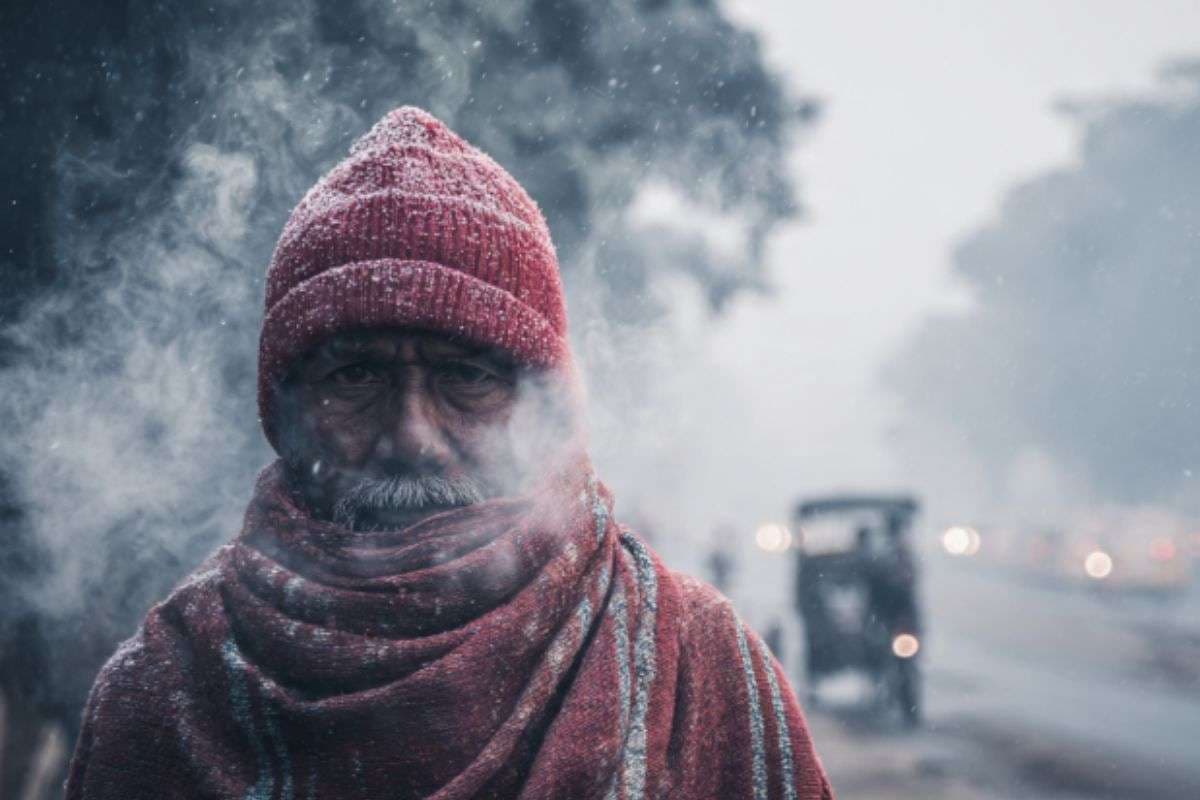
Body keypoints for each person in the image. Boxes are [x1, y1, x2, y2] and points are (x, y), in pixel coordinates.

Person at [64, 107, 833, 800]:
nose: (411, 437)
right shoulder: (166, 690)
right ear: (284, 406)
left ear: (547, 406)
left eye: (466, 377)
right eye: (356, 374)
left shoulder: (694, 664)